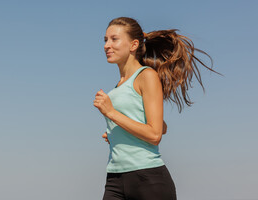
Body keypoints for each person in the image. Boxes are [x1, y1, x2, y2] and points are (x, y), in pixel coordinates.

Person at [93, 17, 220, 200]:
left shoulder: (147, 76)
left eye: (114, 39)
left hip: (147, 179)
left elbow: (155, 134)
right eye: (105, 40)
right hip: (114, 178)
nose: (107, 45)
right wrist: (117, 133)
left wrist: (111, 113)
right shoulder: (118, 87)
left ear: (133, 44)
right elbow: (162, 125)